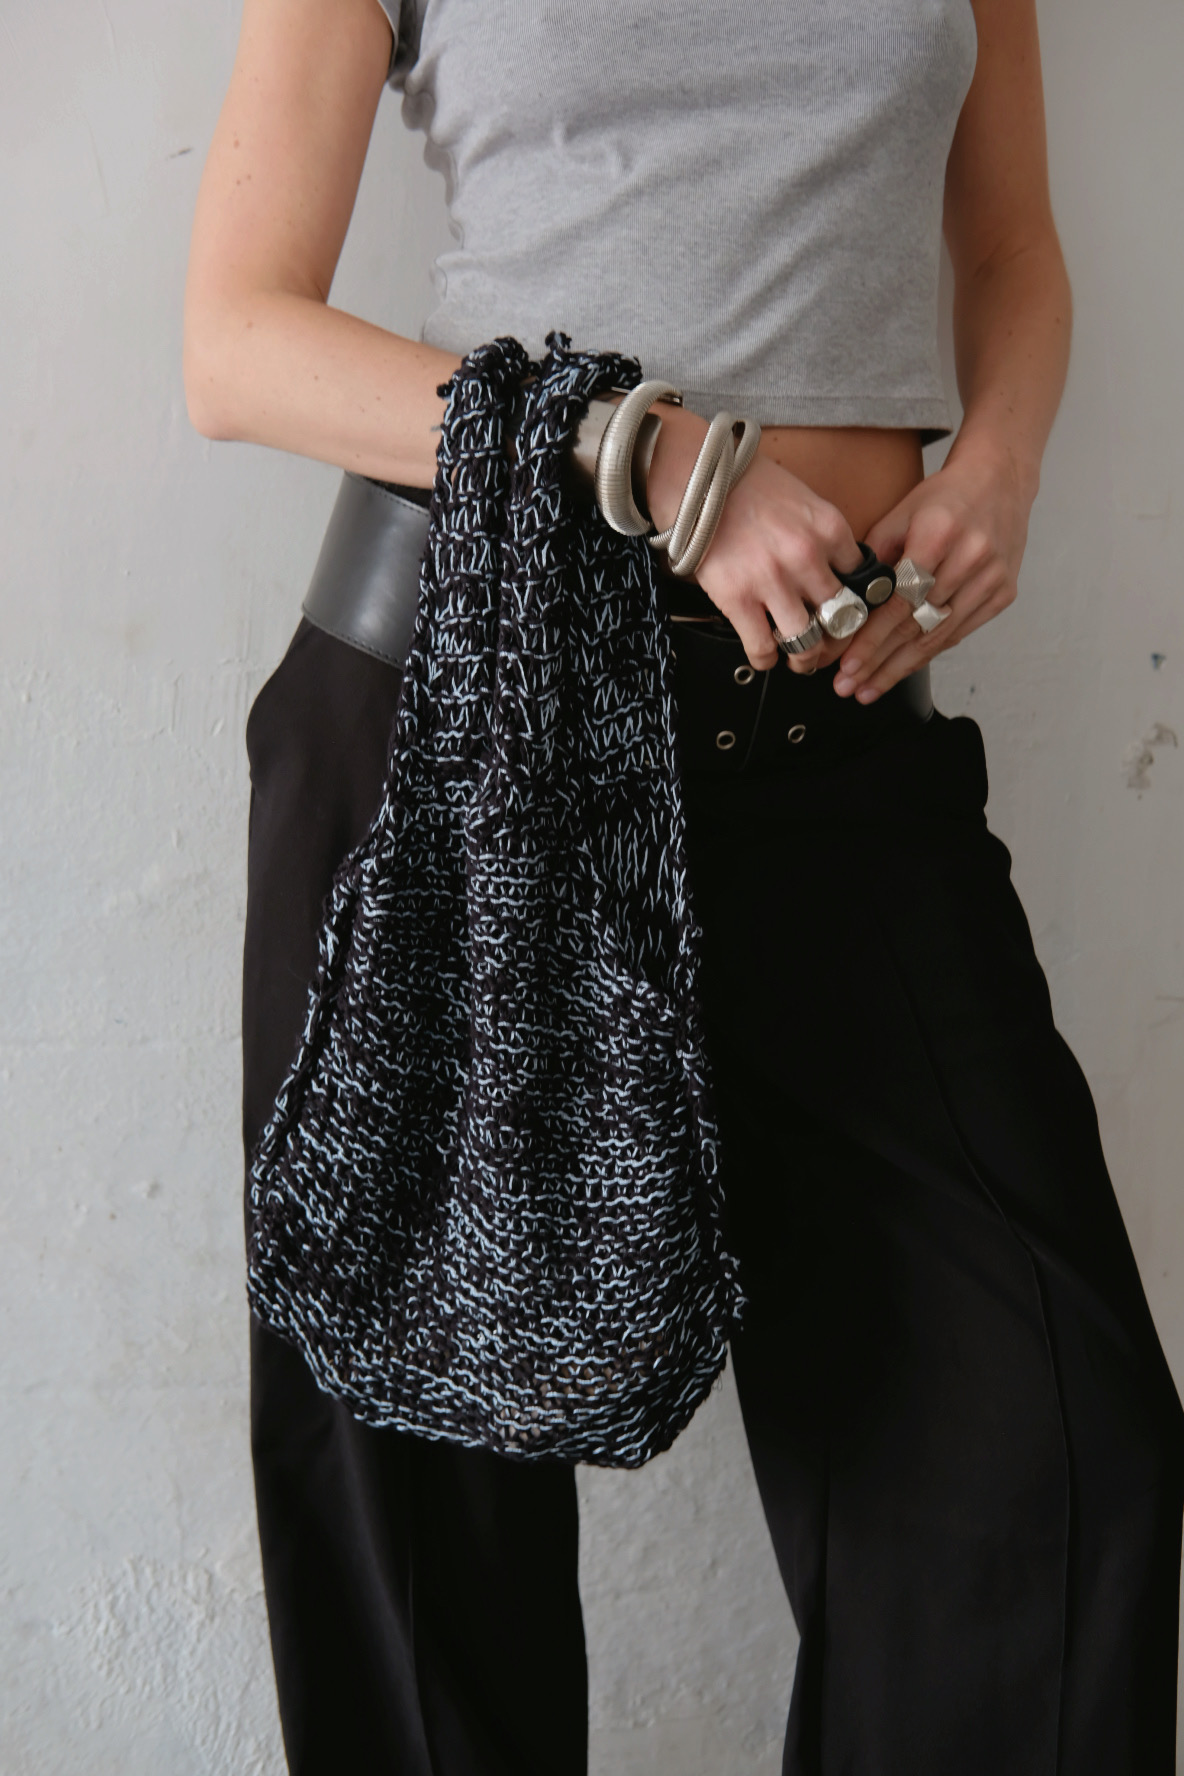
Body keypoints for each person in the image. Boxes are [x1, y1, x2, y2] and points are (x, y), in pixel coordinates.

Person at [183, 2, 1184, 1771]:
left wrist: (1003, 461)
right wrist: (642, 451)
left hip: (831, 738)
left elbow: (1010, 246)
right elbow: (235, 345)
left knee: (1050, 1457)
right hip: (464, 728)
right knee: (422, 1520)